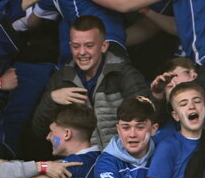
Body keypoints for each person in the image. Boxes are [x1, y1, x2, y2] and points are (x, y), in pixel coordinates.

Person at [32, 15, 150, 149]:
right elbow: (39, 131)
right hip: (83, 164)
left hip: (123, 160)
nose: (82, 52)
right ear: (70, 47)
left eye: (89, 45)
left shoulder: (123, 73)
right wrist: (51, 99)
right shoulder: (61, 79)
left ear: (104, 46)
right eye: (76, 46)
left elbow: (147, 118)